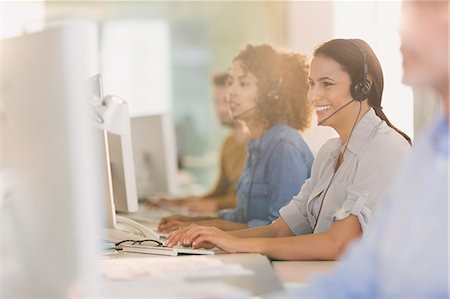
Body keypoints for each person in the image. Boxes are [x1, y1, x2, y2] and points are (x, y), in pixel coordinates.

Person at [166, 39, 412, 262]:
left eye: (326, 84)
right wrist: (215, 236)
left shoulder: (385, 148)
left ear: (363, 86)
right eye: (311, 84)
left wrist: (239, 244)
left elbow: (337, 244)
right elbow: (280, 228)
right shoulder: (329, 152)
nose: (314, 95)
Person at [274, 1, 449, 297]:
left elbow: (341, 246)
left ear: (361, 87)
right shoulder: (428, 148)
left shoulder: (390, 148)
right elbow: (365, 271)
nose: (402, 27)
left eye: (429, 8)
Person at [159, 44, 314, 232]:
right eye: (231, 82)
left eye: (243, 83)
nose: (230, 91)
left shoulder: (284, 147)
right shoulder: (257, 144)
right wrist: (198, 221)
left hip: (275, 260)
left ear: (271, 93)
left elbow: (281, 230)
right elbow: (243, 216)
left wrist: (212, 226)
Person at [158, 73, 249, 214]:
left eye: (226, 102)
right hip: (229, 214)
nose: (220, 110)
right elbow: (219, 192)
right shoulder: (229, 142)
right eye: (216, 102)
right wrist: (178, 202)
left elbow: (256, 201)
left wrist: (216, 205)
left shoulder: (261, 143)